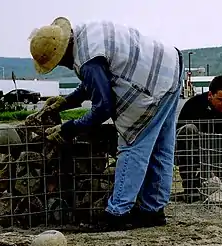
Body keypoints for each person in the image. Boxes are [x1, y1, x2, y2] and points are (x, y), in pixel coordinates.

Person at [29, 17, 183, 231]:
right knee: (161, 149)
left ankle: (117, 213)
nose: (61, 66)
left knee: (133, 146)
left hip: (151, 86)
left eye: (57, 63)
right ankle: (153, 210)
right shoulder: (87, 35)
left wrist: (67, 129)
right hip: (171, 66)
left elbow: (103, 107)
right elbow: (95, 81)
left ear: (61, 54)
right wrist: (65, 103)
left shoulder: (86, 59)